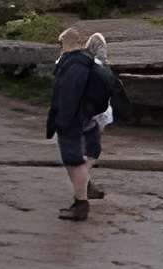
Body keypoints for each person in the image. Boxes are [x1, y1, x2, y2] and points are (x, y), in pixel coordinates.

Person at [45, 25, 121, 219]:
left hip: (74, 120)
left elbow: (69, 96)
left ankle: (81, 205)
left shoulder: (73, 65)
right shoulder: (88, 61)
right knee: (91, 151)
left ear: (63, 43)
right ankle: (85, 187)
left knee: (73, 161)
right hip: (90, 117)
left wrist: (61, 122)